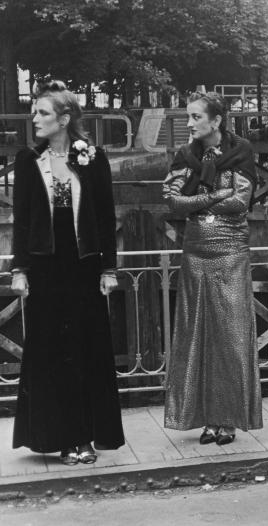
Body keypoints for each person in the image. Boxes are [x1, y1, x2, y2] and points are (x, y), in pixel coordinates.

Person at [11, 80, 124, 464]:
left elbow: (106, 217)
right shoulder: (27, 161)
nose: (34, 119)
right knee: (48, 352)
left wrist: (109, 267)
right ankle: (54, 436)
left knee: (83, 350)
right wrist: (19, 269)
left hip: (83, 268)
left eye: (42, 113)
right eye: (35, 112)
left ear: (64, 118)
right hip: (44, 269)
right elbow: (21, 220)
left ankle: (83, 437)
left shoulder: (93, 158)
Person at [162, 91, 262, 444]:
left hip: (232, 250)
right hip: (194, 251)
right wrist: (211, 197)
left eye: (194, 117)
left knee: (231, 334)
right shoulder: (185, 154)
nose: (188, 124)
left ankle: (229, 419)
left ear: (216, 120)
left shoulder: (242, 150)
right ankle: (205, 418)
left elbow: (241, 201)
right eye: (188, 117)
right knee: (196, 333)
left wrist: (198, 204)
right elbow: (173, 202)